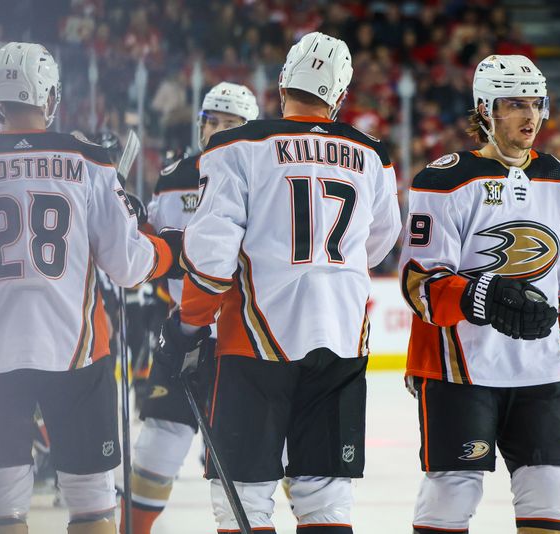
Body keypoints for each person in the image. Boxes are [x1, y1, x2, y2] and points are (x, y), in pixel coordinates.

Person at [157, 32, 401, 533]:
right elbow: (378, 244)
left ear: (284, 80)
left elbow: (210, 261)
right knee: (326, 501)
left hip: (253, 346)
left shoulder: (236, 145)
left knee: (243, 501)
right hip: (339, 342)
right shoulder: (373, 154)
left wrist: (185, 328)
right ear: (339, 93)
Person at [0, 42, 175, 534]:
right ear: (48, 96)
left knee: (1, 509)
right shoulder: (88, 159)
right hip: (77, 356)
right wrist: (167, 250)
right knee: (92, 506)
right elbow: (127, 266)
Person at [398, 54, 560, 534]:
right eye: (515, 104)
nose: (530, 116)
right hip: (461, 372)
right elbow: (419, 285)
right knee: (452, 494)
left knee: (552, 493)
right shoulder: (444, 180)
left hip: (541, 373)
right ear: (485, 110)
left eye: (537, 103)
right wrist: (486, 298)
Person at [123, 81, 259, 534]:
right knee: (156, 449)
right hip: (184, 332)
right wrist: (136, 228)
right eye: (211, 120)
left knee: (251, 469)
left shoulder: (263, 171)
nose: (216, 129)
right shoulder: (174, 176)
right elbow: (157, 256)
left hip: (243, 339)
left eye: (229, 123)